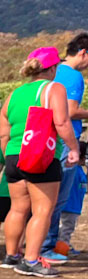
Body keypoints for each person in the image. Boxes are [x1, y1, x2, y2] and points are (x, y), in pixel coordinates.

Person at [0, 47, 81, 278]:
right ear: (53, 68)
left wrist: (7, 154)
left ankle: (11, 255)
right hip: (40, 154)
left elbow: (4, 127)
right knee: (43, 210)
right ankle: (31, 260)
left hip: (14, 154)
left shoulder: (15, 93)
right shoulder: (54, 88)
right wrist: (73, 148)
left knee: (17, 208)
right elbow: (62, 122)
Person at [40, 34, 88, 262]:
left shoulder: (52, 70)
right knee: (58, 198)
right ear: (83, 53)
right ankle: (47, 245)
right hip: (65, 141)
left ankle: (35, 244)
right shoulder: (74, 77)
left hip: (44, 139)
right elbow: (69, 111)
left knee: (42, 196)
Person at [57, 165, 87, 251]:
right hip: (69, 205)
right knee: (66, 229)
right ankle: (61, 249)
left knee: (66, 228)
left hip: (74, 205)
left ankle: (63, 245)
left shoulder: (78, 170)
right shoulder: (72, 169)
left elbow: (82, 187)